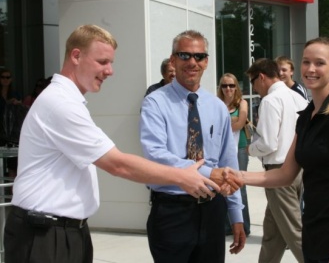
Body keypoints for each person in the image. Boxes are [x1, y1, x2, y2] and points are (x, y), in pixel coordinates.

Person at [4, 24, 242, 263]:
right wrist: (186, 176)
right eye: (102, 61)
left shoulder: (67, 101)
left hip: (60, 231)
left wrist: (235, 212)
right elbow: (118, 164)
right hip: (45, 234)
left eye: (111, 63)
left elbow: (228, 159)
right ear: (76, 56)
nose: (110, 71)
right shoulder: (60, 104)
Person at [227, 37, 329, 263]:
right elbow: (285, 174)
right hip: (314, 233)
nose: (311, 69)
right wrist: (239, 176)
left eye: (320, 63)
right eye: (306, 62)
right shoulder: (307, 116)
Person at [140, 30, 246, 263]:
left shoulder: (217, 107)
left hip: (212, 210)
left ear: (206, 61)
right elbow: (156, 155)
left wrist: (236, 213)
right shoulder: (155, 103)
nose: (192, 62)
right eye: (184, 55)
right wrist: (209, 173)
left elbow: (229, 161)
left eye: (198, 56)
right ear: (173, 60)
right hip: (172, 211)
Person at [246, 58, 308, 263]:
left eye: (253, 82)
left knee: (294, 232)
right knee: (274, 233)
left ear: (261, 77)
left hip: (278, 172)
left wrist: (250, 149)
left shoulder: (270, 100)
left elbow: (268, 144)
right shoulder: (299, 98)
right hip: (298, 169)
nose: (254, 88)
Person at [217, 73, 251, 236]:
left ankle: (244, 226)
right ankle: (226, 226)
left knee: (239, 186)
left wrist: (226, 123)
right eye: (224, 86)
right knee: (222, 185)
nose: (228, 89)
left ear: (236, 87)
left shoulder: (242, 103)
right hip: (222, 150)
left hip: (240, 149)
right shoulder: (217, 104)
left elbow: (240, 124)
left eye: (231, 85)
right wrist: (231, 120)